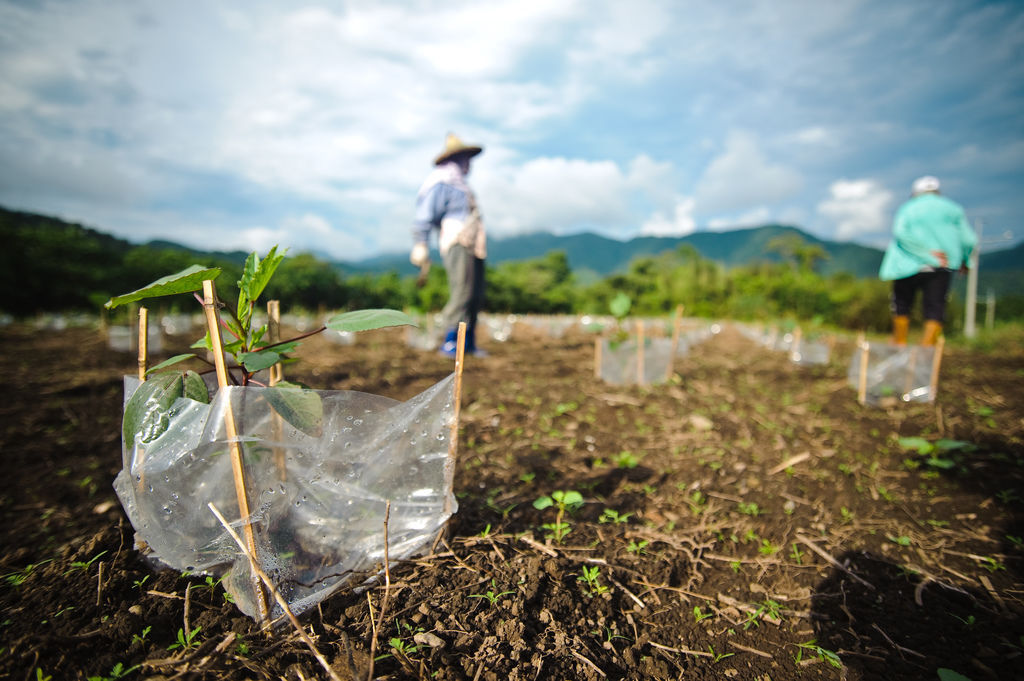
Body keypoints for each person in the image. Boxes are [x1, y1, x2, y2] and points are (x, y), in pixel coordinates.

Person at [410, 133, 488, 356]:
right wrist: (420, 243)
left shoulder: (462, 185)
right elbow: (425, 214)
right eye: (465, 158)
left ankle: (468, 343)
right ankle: (451, 341)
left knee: (475, 293)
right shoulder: (440, 182)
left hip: (473, 242)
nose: (468, 163)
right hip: (456, 240)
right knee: (462, 290)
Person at [878, 175, 977, 346]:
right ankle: (927, 351)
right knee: (936, 307)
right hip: (941, 265)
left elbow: (900, 234)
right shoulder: (953, 209)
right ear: (937, 192)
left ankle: (899, 345)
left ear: (916, 192)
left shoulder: (907, 208)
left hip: (906, 264)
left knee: (901, 304)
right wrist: (965, 261)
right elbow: (969, 240)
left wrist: (925, 254)